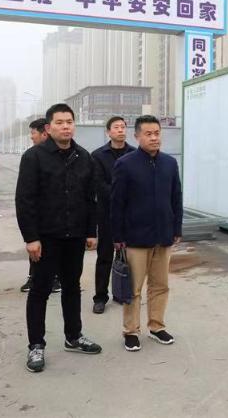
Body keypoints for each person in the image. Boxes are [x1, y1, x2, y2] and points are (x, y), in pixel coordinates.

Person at [16, 103, 102, 373]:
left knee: (72, 287)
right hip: (46, 238)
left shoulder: (83, 157)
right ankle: (36, 345)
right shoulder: (34, 157)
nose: (65, 127)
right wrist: (31, 237)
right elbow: (25, 200)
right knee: (40, 290)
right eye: (60, 122)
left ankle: (73, 336)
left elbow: (90, 198)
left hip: (74, 237)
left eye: (69, 122)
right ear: (49, 127)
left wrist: (91, 231)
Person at [111, 115, 182, 351]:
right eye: (148, 134)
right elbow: (117, 203)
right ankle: (131, 331)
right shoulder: (125, 164)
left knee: (160, 285)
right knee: (133, 289)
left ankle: (157, 326)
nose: (154, 138)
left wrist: (176, 228)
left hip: (163, 236)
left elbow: (176, 198)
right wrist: (118, 237)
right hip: (135, 238)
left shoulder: (169, 163)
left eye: (157, 133)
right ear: (137, 136)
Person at [91, 116, 134, 313]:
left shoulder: (135, 154)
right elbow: (99, 185)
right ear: (108, 132)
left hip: (130, 214)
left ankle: (123, 292)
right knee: (105, 256)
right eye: (116, 127)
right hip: (107, 214)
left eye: (123, 127)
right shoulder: (98, 156)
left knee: (128, 256)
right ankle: (100, 297)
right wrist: (120, 195)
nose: (120, 130)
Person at [19, 118, 61, 295]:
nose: (31, 137)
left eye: (33, 133)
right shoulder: (31, 156)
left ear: (44, 133)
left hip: (55, 220)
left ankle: (52, 279)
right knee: (37, 250)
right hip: (38, 218)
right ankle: (36, 277)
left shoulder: (64, 156)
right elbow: (24, 196)